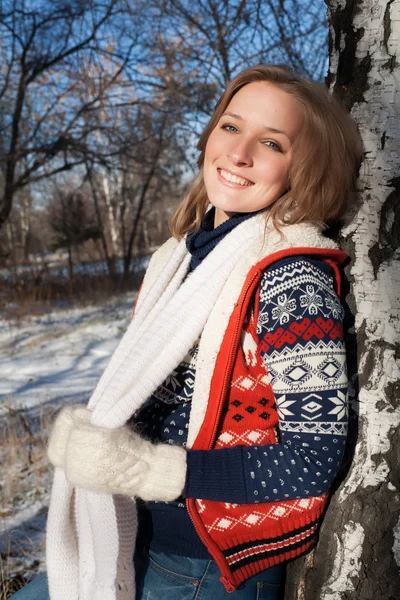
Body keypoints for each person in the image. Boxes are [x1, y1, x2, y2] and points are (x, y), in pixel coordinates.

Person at [11, 64, 362, 600]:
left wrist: (148, 468)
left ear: (305, 169)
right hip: (126, 531)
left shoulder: (293, 278)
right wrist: (95, 436)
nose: (239, 153)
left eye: (271, 142)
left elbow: (311, 459)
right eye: (230, 126)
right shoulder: (180, 259)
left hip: (201, 563)